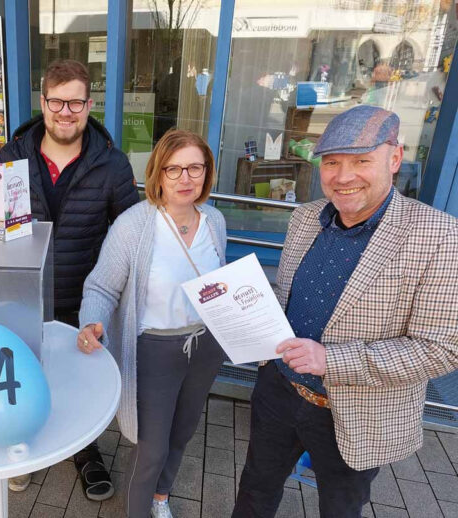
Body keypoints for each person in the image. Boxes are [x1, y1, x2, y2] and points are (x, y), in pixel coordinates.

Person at [232, 105, 458, 517]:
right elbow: (289, 296)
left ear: (394, 158)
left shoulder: (440, 235)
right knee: (254, 492)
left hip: (356, 411)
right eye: (332, 162)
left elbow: (440, 349)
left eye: (361, 161)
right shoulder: (304, 218)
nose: (343, 175)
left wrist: (329, 359)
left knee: (340, 508)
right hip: (279, 393)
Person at [0, 59, 139, 498]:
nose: (65, 111)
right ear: (43, 102)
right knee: (22, 373)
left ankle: (85, 450)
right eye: (56, 101)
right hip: (23, 295)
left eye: (75, 102)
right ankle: (23, 444)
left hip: (85, 297)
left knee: (79, 379)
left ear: (89, 104)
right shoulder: (11, 158)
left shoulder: (113, 165)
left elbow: (129, 232)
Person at [78, 129, 227, 518]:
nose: (185, 178)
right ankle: (139, 510)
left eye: (195, 168)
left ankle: (160, 497)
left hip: (205, 345)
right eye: (174, 169)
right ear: (158, 174)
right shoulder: (134, 225)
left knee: (183, 432)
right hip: (154, 350)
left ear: (207, 173)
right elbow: (102, 286)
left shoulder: (214, 221)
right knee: (151, 447)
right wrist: (92, 322)